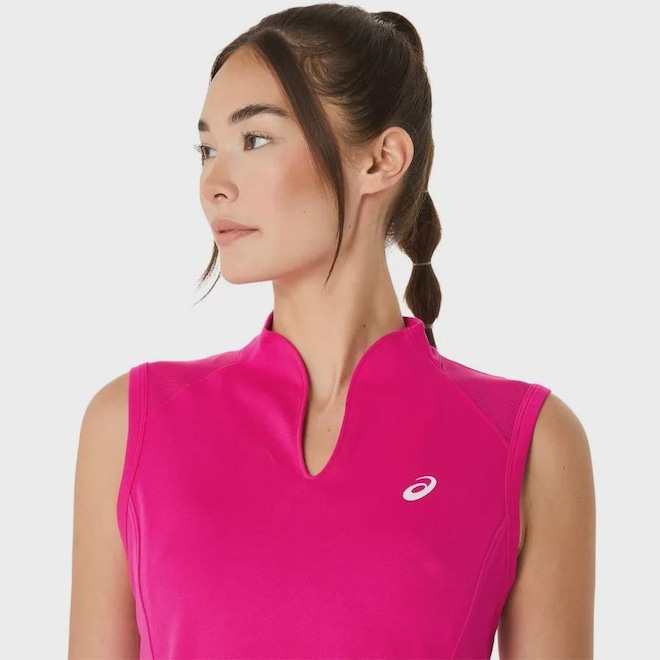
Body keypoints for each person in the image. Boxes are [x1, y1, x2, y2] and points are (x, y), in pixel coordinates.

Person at [68, 3, 596, 658]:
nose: (213, 183)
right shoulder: (132, 424)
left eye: (254, 140)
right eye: (206, 150)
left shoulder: (529, 440)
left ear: (381, 160)